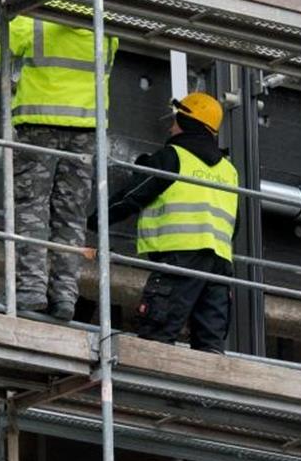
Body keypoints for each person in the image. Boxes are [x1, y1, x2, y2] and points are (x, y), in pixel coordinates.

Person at [0, 15, 117, 320]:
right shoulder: (106, 30)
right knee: (71, 217)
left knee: (31, 208)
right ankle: (64, 297)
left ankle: (30, 290)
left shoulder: (33, 20)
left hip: (39, 128)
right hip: (86, 134)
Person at [94, 91, 237, 353]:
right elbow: (232, 225)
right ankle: (205, 394)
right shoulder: (230, 171)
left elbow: (133, 196)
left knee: (157, 334)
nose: (171, 126)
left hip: (180, 258)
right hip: (220, 264)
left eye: (176, 119)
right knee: (210, 346)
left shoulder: (172, 157)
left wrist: (96, 219)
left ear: (187, 122)